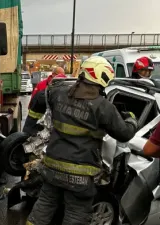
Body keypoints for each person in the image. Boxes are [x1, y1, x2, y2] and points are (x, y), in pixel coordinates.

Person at [26, 56, 138, 225]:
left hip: (52, 167)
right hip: (81, 176)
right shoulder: (103, 106)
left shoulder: (59, 92)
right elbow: (125, 134)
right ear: (101, 77)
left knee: (44, 205)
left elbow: (39, 98)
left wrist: (29, 128)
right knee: (75, 215)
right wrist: (131, 119)